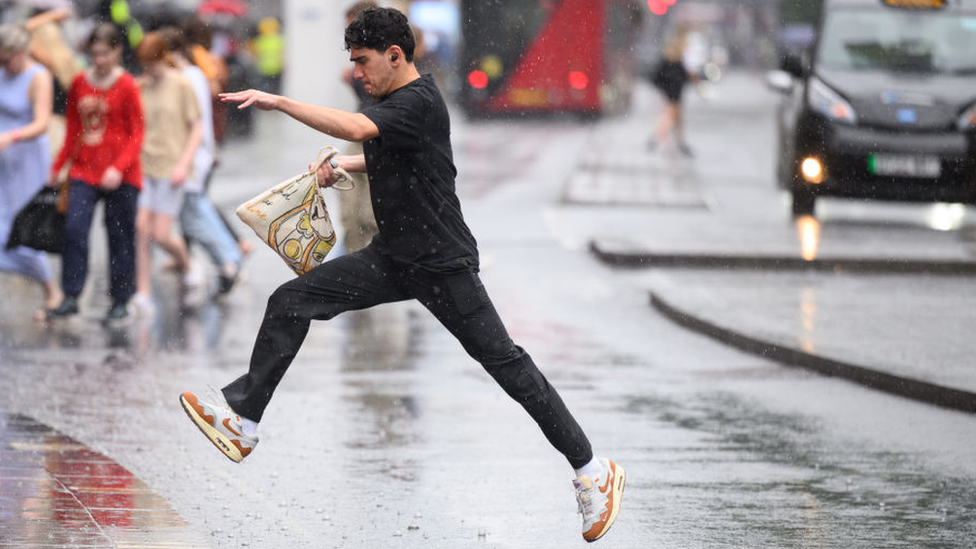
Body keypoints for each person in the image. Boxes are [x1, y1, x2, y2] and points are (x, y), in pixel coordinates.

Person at [179, 7, 624, 543]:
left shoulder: (415, 100)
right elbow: (398, 153)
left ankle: (593, 471)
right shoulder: (397, 103)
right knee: (291, 300)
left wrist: (278, 101)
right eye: (352, 63)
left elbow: (359, 129)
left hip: (441, 263)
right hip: (394, 258)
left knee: (507, 366)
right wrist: (346, 166)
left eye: (363, 62)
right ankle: (244, 421)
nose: (356, 73)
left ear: (396, 55)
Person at [46, 23, 143, 323]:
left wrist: (119, 167)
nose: (99, 60)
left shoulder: (126, 84)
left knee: (119, 236)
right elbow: (74, 126)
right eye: (94, 54)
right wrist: (59, 164)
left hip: (121, 175)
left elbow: (137, 132)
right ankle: (71, 294)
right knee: (74, 230)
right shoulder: (79, 82)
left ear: (116, 51)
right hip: (84, 169)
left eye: (105, 53)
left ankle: (120, 299)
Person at [161, 27, 241, 295]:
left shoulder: (187, 77)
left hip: (192, 157)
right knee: (197, 212)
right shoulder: (193, 74)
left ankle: (228, 260)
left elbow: (191, 122)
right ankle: (229, 258)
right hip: (194, 155)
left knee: (194, 216)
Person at [132, 32, 203, 313]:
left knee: (160, 234)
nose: (147, 69)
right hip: (144, 165)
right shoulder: (141, 87)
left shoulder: (181, 85)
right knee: (140, 228)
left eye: (151, 63)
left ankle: (188, 264)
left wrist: (185, 163)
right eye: (143, 64)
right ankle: (143, 292)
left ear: (163, 58)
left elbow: (196, 127)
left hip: (172, 167)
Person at [0, 23, 61, 317]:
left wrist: (12, 136)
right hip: (2, 158)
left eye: (7, 60)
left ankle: (51, 290)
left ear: (20, 53)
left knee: (22, 228)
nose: (4, 66)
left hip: (25, 155)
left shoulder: (38, 76)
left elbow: (41, 123)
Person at [337, 0, 379, 253]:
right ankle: (351, 258)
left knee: (370, 214)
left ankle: (372, 260)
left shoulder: (384, 56)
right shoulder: (358, 58)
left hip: (378, 131)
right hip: (359, 129)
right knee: (351, 209)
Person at [647, 30, 695, 156]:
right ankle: (662, 140)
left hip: (674, 95)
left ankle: (673, 142)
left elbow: (681, 78)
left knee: (673, 119)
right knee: (671, 119)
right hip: (672, 96)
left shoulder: (675, 63)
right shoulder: (670, 63)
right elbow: (659, 78)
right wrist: (666, 90)